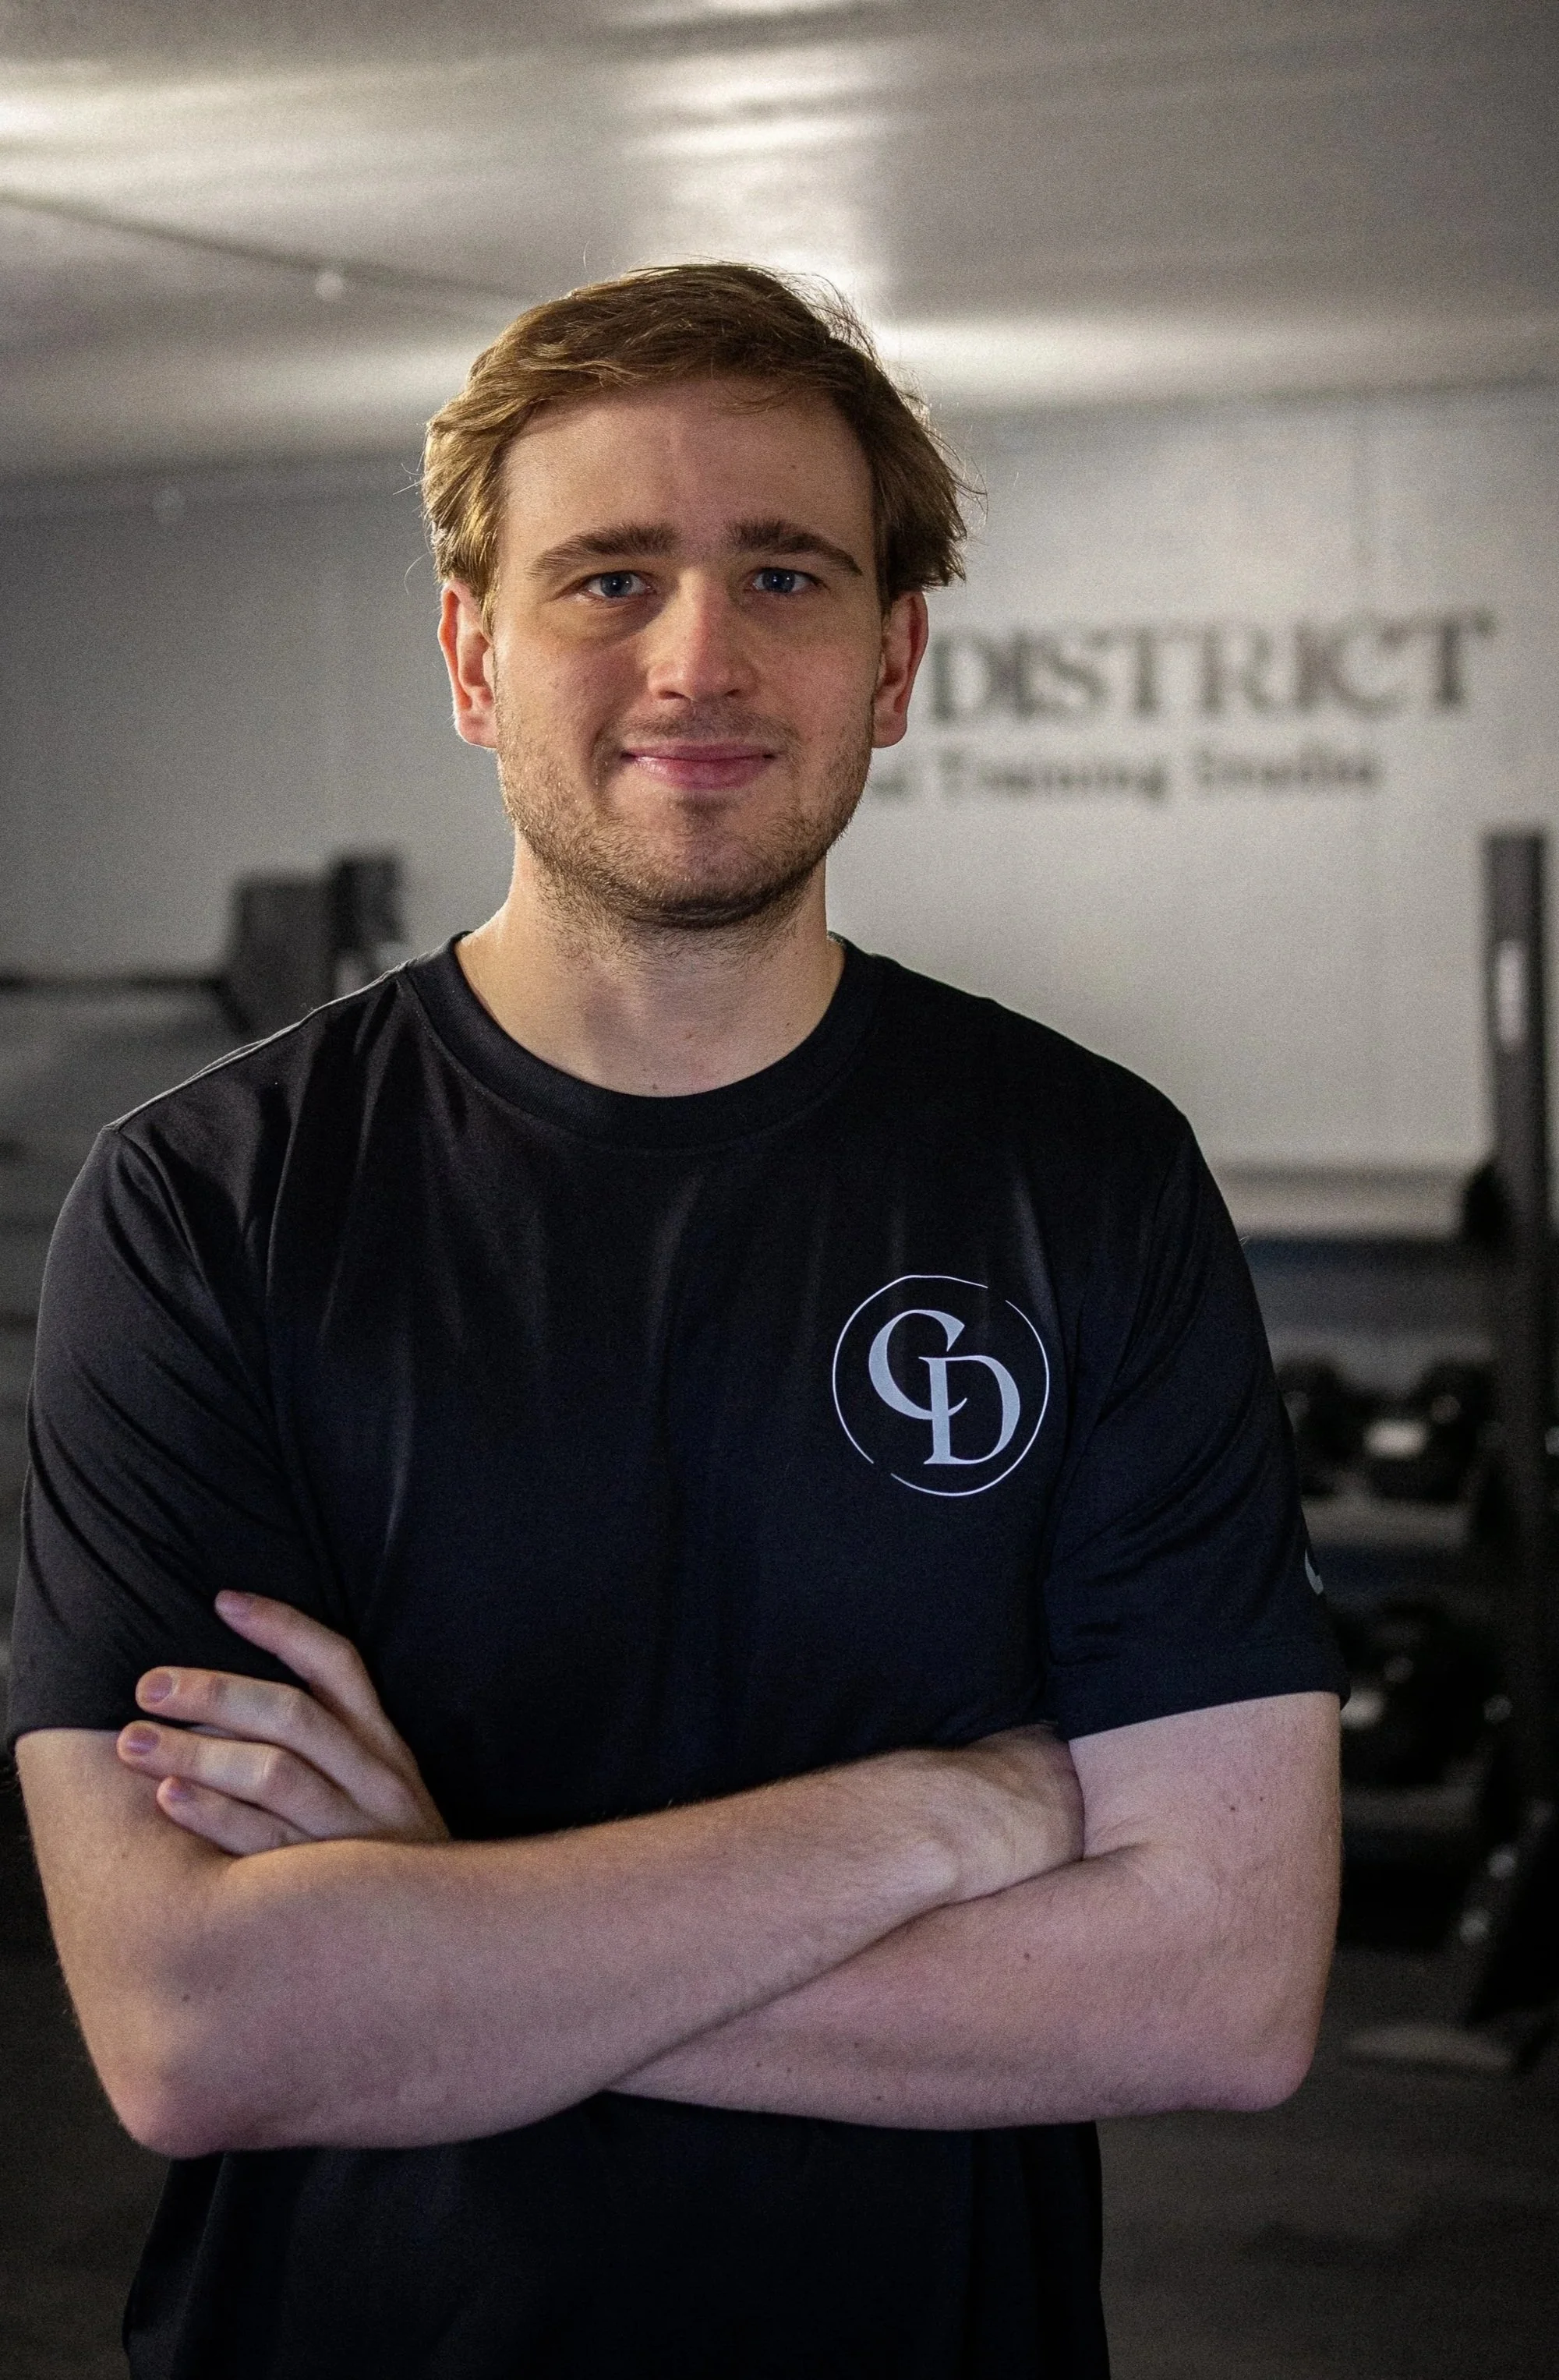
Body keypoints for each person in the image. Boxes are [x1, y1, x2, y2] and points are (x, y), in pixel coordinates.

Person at [10, 263, 1345, 2380]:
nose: (698, 656)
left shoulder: (1086, 1179)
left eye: (786, 573)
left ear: (893, 658)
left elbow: (1219, 1990)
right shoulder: (205, 1207)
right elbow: (196, 2029)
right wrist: (951, 1811)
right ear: (471, 652)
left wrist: (436, 1934)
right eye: (607, 575)